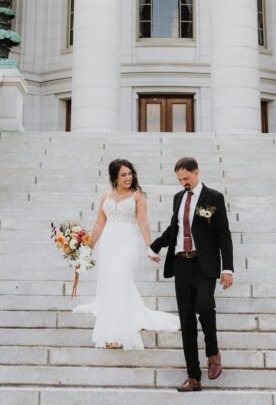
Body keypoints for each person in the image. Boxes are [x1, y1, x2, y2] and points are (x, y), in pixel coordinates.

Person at [74, 158, 180, 349]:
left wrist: (150, 245)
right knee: (110, 283)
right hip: (107, 244)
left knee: (120, 281)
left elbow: (143, 222)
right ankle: (117, 323)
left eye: (130, 173)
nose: (128, 177)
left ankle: (117, 335)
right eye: (123, 174)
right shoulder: (105, 196)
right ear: (115, 177)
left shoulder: (137, 196)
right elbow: (99, 223)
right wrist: (88, 247)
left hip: (128, 244)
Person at [149, 156, 234, 392]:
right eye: (179, 179)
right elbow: (174, 228)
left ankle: (213, 351)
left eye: (186, 178)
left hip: (203, 264)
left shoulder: (212, 198)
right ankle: (194, 376)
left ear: (197, 173)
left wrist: (227, 268)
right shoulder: (178, 198)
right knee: (186, 319)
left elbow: (223, 235)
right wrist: (155, 245)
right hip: (181, 264)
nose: (183, 183)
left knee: (204, 305)